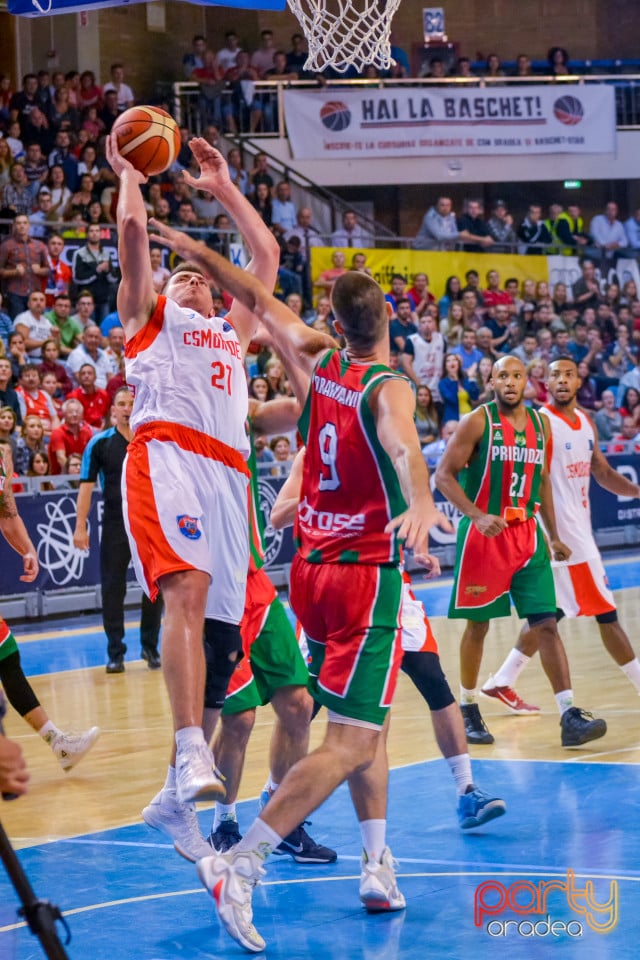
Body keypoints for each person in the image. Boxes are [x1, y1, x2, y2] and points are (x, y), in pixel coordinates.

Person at [180, 253, 451, 950]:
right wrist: (420, 498)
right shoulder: (388, 387)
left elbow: (257, 295)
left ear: (334, 322)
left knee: (373, 725)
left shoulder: (321, 360)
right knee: (351, 740)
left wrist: (195, 248)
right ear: (389, 319)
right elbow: (402, 448)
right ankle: (242, 864)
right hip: (364, 579)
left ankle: (375, 864)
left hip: (309, 575)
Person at [107, 131, 280, 807]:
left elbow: (263, 255)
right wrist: (129, 175)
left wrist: (225, 188)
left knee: (221, 640)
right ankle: (186, 753)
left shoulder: (234, 335)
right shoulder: (148, 320)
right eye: (184, 275)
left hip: (229, 480)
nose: (195, 278)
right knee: (186, 589)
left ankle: (174, 804)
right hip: (167, 456)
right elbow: (131, 236)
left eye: (202, 279)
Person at [272, 448, 506, 832]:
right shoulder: (313, 453)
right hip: (332, 584)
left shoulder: (391, 444)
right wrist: (321, 494)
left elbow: (409, 508)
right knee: (306, 702)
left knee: (432, 677)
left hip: (388, 580)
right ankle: (274, 795)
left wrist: (421, 550)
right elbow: (279, 516)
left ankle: (467, 790)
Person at [434, 356, 607, 748]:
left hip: (528, 537)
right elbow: (442, 475)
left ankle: (569, 714)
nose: (510, 382)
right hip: (485, 538)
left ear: (527, 382)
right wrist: (476, 515)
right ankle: (467, 707)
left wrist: (554, 533)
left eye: (517, 376)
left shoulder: (540, 423)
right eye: (503, 376)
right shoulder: (477, 421)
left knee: (546, 622)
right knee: (478, 626)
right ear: (491, 380)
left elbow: (542, 478)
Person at [483, 357, 640, 708]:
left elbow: (600, 469)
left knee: (550, 613)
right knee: (607, 614)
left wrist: (636, 490)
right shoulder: (542, 423)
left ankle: (502, 680)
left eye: (569, 374)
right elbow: (537, 479)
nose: (563, 381)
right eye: (556, 375)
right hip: (560, 538)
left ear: (579, 381)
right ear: (545, 383)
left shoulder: (586, 421)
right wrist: (551, 534)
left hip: (577, 533)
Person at [0, 442, 100, 772]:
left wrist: (28, 549)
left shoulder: (2, 454)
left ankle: (58, 743)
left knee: (7, 655)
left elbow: (7, 512)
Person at [73, 387, 163, 673]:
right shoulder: (99, 444)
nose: (126, 408)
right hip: (114, 524)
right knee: (113, 589)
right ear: (113, 409)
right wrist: (80, 528)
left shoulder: (150, 440)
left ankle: (150, 646)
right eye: (121, 404)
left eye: (131, 403)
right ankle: (116, 653)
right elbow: (85, 488)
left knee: (154, 587)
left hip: (148, 523)